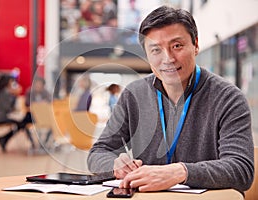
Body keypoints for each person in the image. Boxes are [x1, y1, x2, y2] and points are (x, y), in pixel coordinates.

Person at [87, 5, 254, 194]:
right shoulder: (133, 95)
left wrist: (180, 171)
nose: (168, 58)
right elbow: (98, 153)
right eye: (156, 50)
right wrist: (115, 165)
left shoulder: (228, 98)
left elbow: (241, 169)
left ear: (196, 45)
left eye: (177, 46)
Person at [0, 74, 33, 152]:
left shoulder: (6, 92)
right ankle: (32, 143)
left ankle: (4, 139)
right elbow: (8, 108)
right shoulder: (4, 92)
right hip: (0, 117)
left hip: (5, 115)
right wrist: (15, 95)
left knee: (22, 123)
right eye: (11, 82)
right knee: (23, 123)